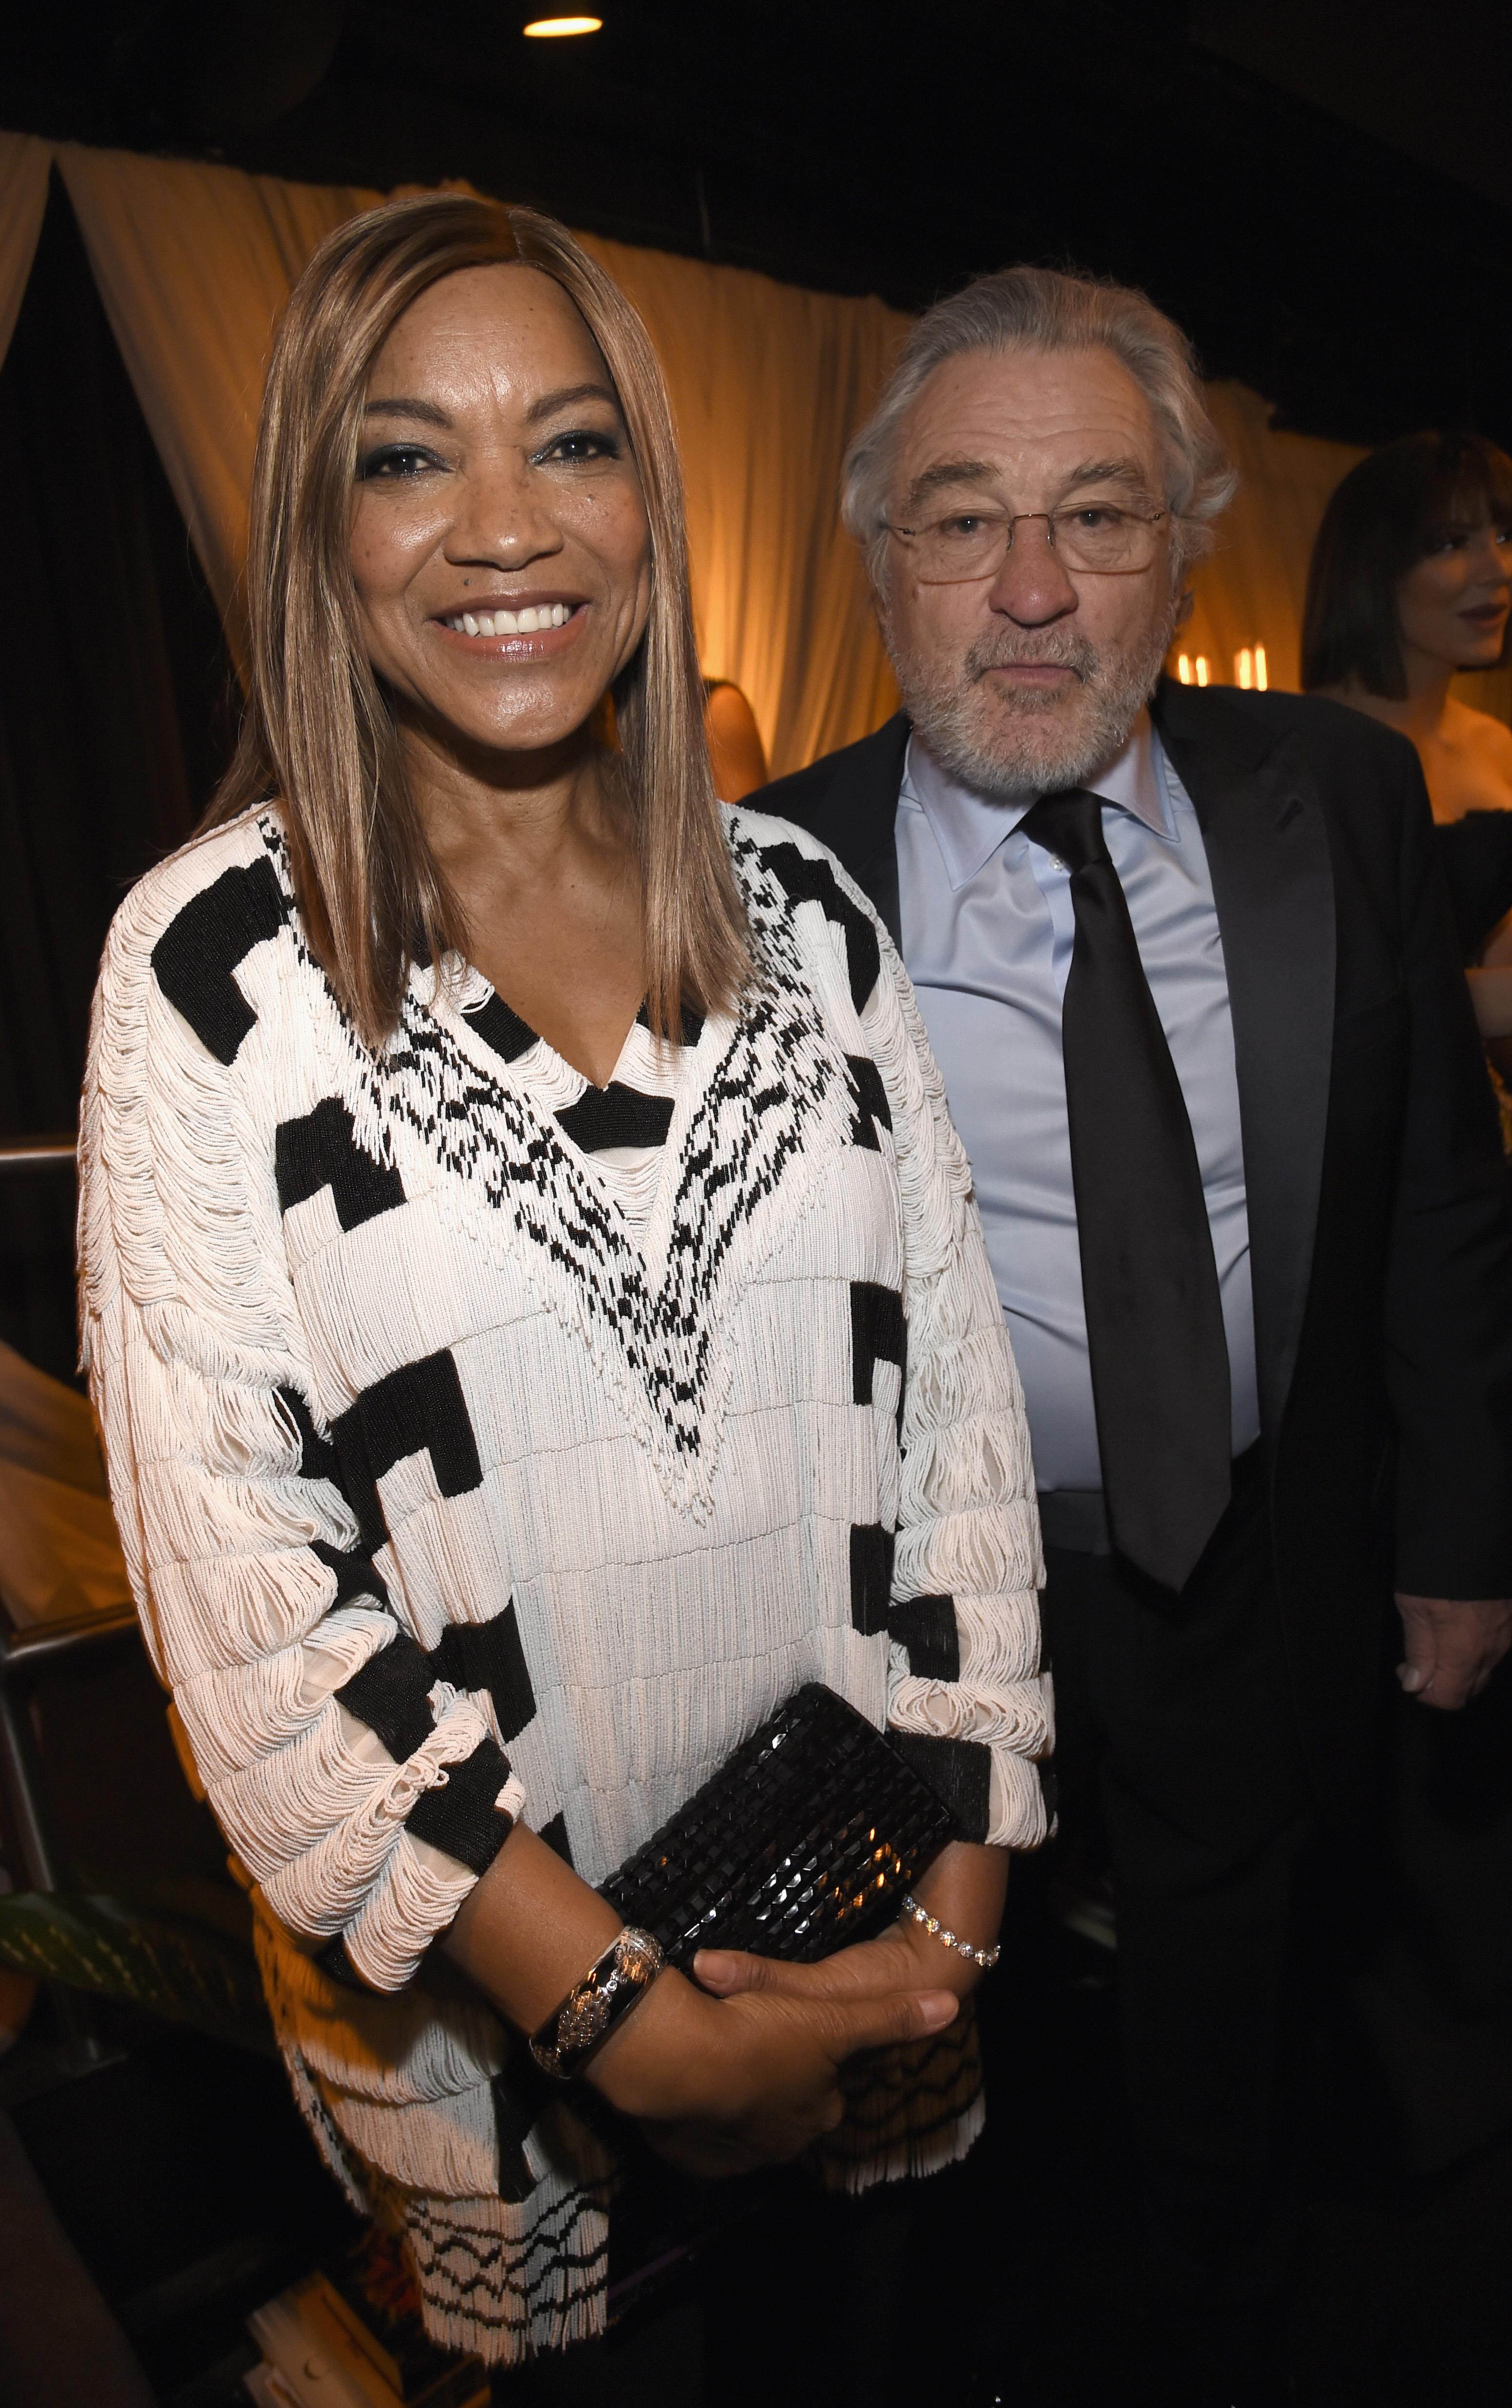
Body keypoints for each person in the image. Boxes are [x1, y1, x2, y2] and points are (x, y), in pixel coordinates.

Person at [76, 195, 1050, 2389]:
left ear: (656, 499)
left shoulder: (806, 913)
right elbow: (255, 1621)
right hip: (500, 2047)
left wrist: (941, 1931)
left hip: (867, 1923)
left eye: (574, 444)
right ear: (316, 527)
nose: (504, 526)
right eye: (408, 456)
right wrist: (613, 2010)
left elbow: (960, 1430)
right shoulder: (219, 976)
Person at [754, 265, 1512, 2405]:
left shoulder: (1337, 809)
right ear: (875, 548)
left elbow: (1443, 1203)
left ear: (1186, 538)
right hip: (913, 1595)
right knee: (927, 2039)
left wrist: (1460, 1529)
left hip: (1260, 1543)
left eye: (1093, 515)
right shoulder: (758, 883)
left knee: (1231, 1987)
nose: (1024, 590)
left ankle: (1218, 2320)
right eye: (957, 516)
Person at [1303, 433, 1512, 1110]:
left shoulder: (1497, 748)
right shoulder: (1302, 757)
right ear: (1372, 567)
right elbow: (1323, 1000)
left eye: (1505, 536)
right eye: (1451, 543)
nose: (1497, 570)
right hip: (1370, 1134)